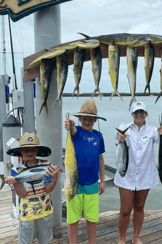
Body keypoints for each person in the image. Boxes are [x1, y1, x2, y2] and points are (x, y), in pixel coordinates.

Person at [114, 101, 162, 244]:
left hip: (145, 176)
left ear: (146, 114)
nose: (139, 115)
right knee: (125, 210)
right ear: (132, 114)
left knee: (139, 207)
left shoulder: (151, 131)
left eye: (142, 112)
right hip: (126, 176)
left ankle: (136, 237)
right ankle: (122, 238)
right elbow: (117, 134)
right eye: (136, 112)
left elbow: (161, 137)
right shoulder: (125, 127)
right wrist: (120, 136)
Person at [4, 132, 62, 244]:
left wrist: (54, 179)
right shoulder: (16, 170)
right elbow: (22, 194)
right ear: (20, 151)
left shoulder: (47, 164)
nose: (29, 152)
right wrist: (15, 183)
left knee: (45, 241)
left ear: (37, 150)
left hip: (45, 211)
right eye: (26, 149)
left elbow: (48, 190)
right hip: (27, 213)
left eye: (33, 149)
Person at [64, 99, 106, 244]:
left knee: (92, 219)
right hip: (74, 184)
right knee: (72, 219)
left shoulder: (98, 136)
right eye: (84, 119)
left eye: (90, 119)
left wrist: (103, 181)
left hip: (93, 184)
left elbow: (101, 159)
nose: (87, 122)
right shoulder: (76, 133)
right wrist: (71, 125)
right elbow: (72, 129)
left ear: (95, 120)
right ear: (80, 119)